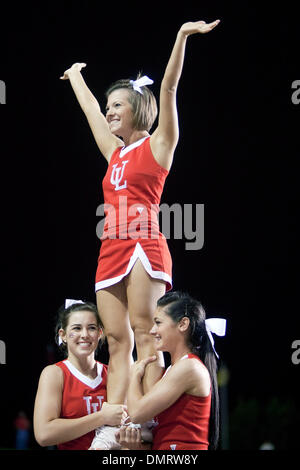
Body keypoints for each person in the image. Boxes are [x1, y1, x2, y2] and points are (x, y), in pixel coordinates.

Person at [60, 19, 220, 449]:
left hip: (144, 244)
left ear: (137, 109)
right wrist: (76, 78)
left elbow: (167, 89)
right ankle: (113, 425)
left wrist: (181, 37)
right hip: (109, 248)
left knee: (145, 334)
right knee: (116, 340)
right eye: (109, 105)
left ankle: (146, 419)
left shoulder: (160, 143)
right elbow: (91, 114)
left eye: (118, 105)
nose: (110, 111)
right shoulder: (113, 154)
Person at [125, 291, 226, 450]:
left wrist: (134, 377)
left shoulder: (189, 367)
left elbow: (136, 413)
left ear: (183, 324)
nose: (152, 330)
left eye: (158, 322)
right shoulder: (175, 369)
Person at [33, 299, 127, 450]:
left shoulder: (112, 373)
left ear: (100, 333)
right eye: (77, 328)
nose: (84, 334)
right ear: (63, 335)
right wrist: (101, 417)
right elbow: (44, 434)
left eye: (91, 328)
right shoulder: (55, 373)